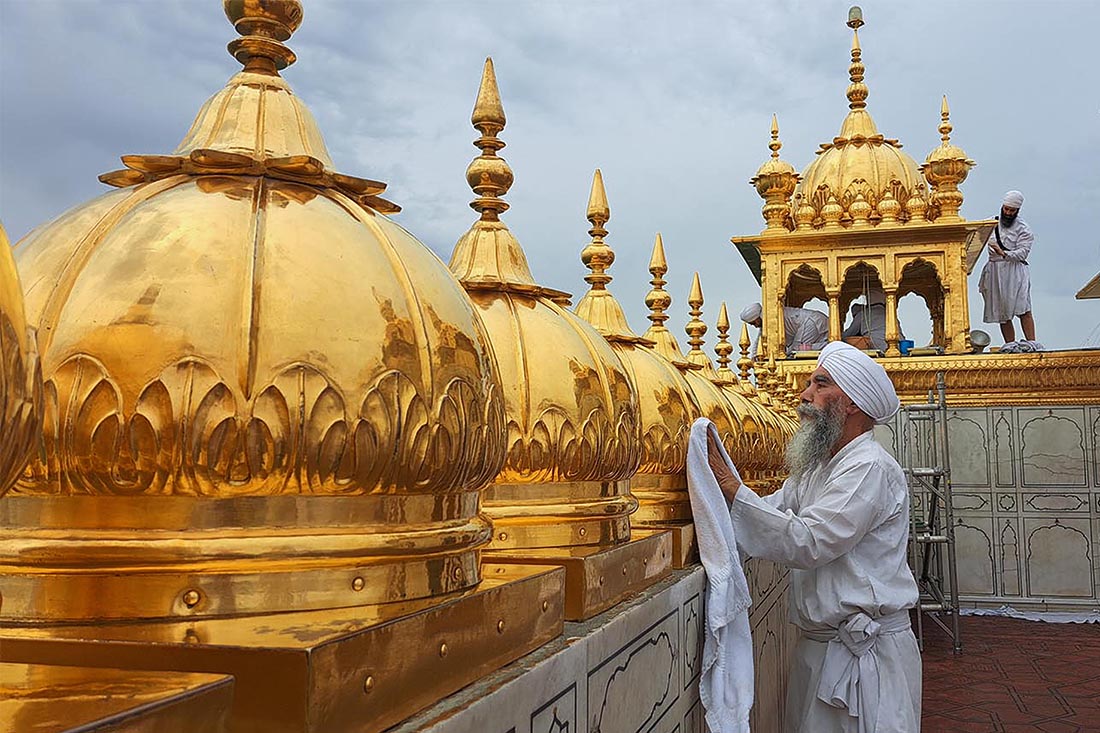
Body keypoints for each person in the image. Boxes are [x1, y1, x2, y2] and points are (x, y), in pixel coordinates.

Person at [707, 341, 920, 733]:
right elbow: (772, 510)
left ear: (851, 402)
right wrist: (715, 497)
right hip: (822, 651)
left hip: (864, 660)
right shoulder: (819, 468)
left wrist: (732, 489)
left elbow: (809, 541)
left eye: (820, 384)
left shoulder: (868, 468)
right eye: (810, 383)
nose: (805, 395)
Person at [978, 190, 1039, 350]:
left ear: (1017, 211)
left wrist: (1003, 253)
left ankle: (1032, 344)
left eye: (1012, 211)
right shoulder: (990, 223)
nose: (1008, 213)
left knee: (1023, 308)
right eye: (1006, 209)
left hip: (1015, 270)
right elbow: (977, 238)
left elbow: (1023, 253)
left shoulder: (1024, 229)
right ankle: (1010, 345)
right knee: (1002, 311)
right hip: (995, 270)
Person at [740, 301, 829, 356]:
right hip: (812, 321)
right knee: (795, 350)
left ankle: (829, 345)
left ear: (759, 317)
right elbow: (760, 339)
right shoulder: (766, 320)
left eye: (754, 323)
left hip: (810, 322)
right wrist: (754, 356)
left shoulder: (771, 316)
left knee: (797, 350)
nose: (754, 325)